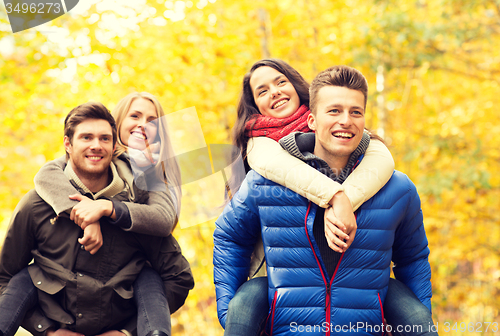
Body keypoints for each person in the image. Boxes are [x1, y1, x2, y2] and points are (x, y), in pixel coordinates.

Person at [214, 65, 435, 335]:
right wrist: (230, 312)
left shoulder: (398, 189)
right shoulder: (265, 181)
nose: (346, 121)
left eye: (356, 112)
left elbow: (413, 259)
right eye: (334, 111)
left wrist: (418, 320)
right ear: (312, 120)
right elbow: (230, 236)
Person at [0, 101, 194, 336]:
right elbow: (5, 278)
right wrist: (48, 331)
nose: (96, 146)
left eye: (104, 139)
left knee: (149, 277)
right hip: (56, 326)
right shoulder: (36, 205)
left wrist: (125, 332)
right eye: (86, 138)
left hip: (120, 323)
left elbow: (178, 277)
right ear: (67, 144)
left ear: (114, 147)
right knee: (23, 279)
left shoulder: (137, 208)